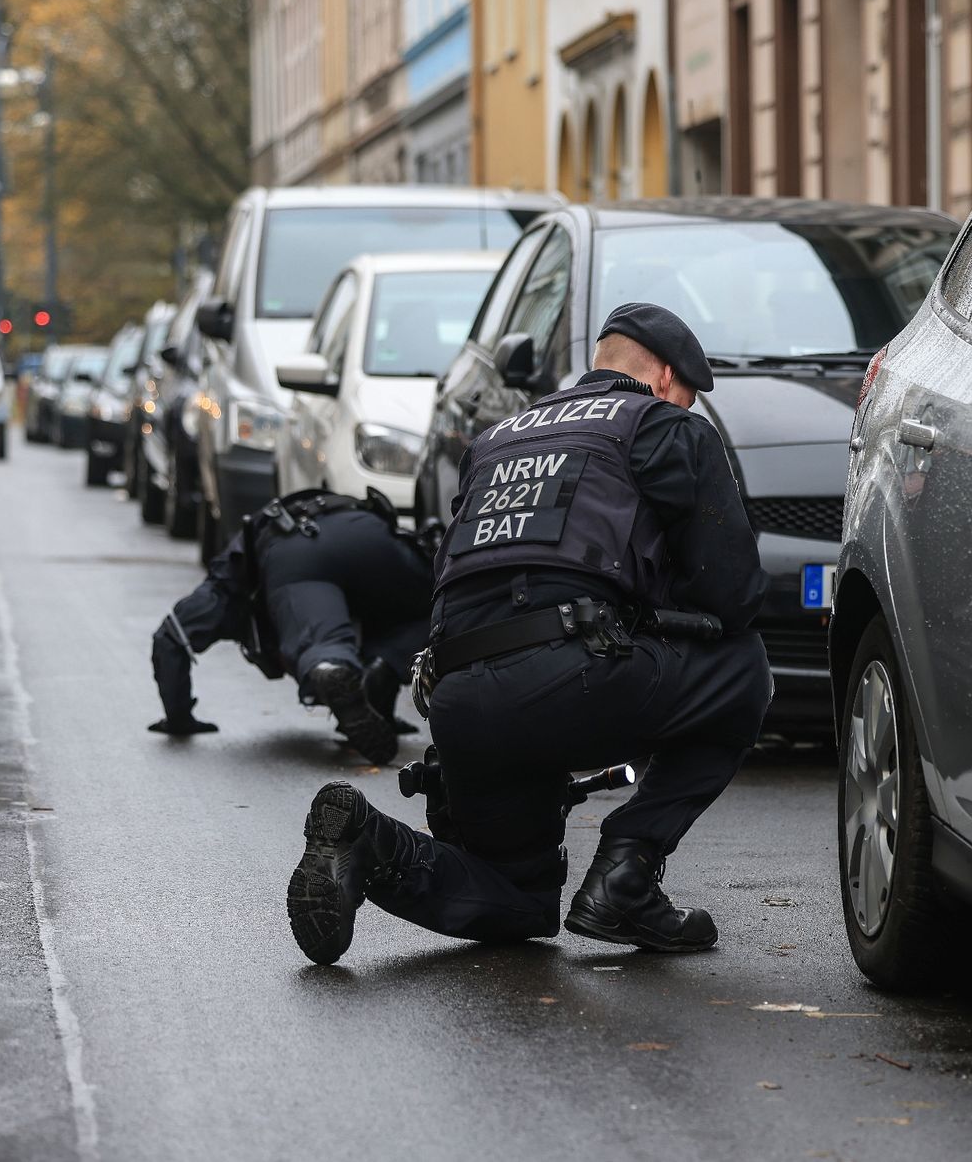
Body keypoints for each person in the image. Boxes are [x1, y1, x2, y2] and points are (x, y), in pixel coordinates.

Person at [286, 302, 771, 964]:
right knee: (743, 667)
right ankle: (628, 870)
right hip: (573, 677)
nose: (686, 407)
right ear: (662, 377)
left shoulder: (498, 437)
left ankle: (368, 842)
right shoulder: (661, 427)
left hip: (459, 701)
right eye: (687, 395)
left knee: (518, 898)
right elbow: (734, 593)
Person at [149, 488, 433, 765]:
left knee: (323, 643)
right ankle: (384, 669)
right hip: (371, 532)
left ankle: (330, 666)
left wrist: (178, 717)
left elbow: (172, 636)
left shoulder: (230, 577)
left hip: (296, 548)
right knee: (437, 605)